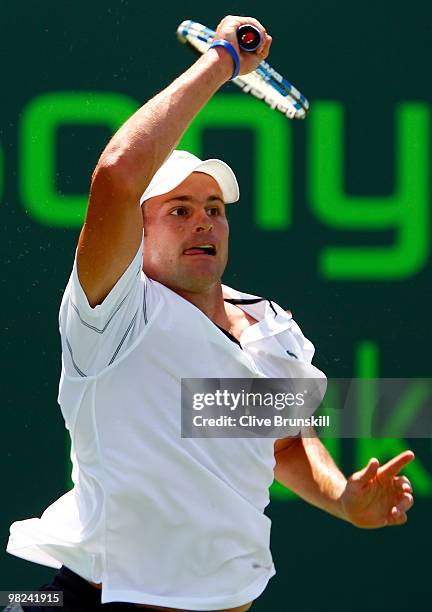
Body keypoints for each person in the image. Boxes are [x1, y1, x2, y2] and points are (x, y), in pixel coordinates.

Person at [6, 14, 414, 612]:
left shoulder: (272, 327)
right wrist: (222, 60)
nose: (203, 220)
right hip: (88, 600)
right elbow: (118, 174)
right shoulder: (111, 315)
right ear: (135, 233)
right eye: (178, 209)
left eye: (214, 208)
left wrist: (342, 498)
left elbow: (279, 444)